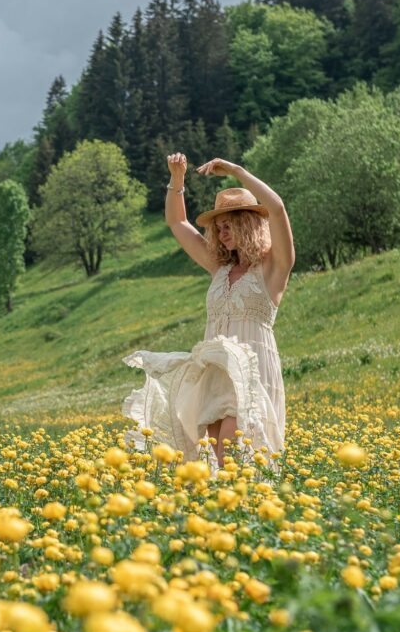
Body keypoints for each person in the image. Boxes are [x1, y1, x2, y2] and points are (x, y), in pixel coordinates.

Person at [121, 154, 295, 472]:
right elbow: (177, 223)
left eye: (229, 224)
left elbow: (278, 209)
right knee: (217, 463)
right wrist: (177, 179)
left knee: (234, 456)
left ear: (249, 222)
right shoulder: (219, 268)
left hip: (251, 374)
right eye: (219, 227)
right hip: (213, 374)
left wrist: (237, 171)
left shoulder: (273, 269)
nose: (222, 232)